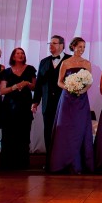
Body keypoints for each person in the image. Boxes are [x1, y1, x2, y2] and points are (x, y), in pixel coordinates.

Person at [49, 37, 94, 174]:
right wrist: (70, 87)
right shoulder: (66, 63)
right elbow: (59, 82)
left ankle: (80, 164)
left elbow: (89, 82)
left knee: (80, 129)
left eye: (84, 47)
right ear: (73, 47)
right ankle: (63, 163)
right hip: (67, 99)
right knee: (66, 129)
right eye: (79, 47)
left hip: (81, 100)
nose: (82, 50)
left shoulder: (86, 63)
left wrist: (82, 90)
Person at [32, 35, 69, 170]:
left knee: (63, 132)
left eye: (54, 43)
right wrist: (35, 101)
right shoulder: (44, 62)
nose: (51, 46)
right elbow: (39, 84)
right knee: (48, 132)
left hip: (65, 103)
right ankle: (50, 162)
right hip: (47, 103)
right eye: (50, 43)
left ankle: (64, 161)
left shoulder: (70, 60)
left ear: (61, 45)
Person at [0, 47, 36, 170]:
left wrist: (26, 84)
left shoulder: (30, 69)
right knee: (8, 134)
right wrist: (15, 86)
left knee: (24, 134)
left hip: (25, 106)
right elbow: (2, 91)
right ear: (13, 56)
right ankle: (7, 162)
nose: (20, 55)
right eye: (18, 53)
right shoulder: (6, 72)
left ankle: (22, 163)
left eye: (22, 53)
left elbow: (35, 87)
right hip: (9, 106)